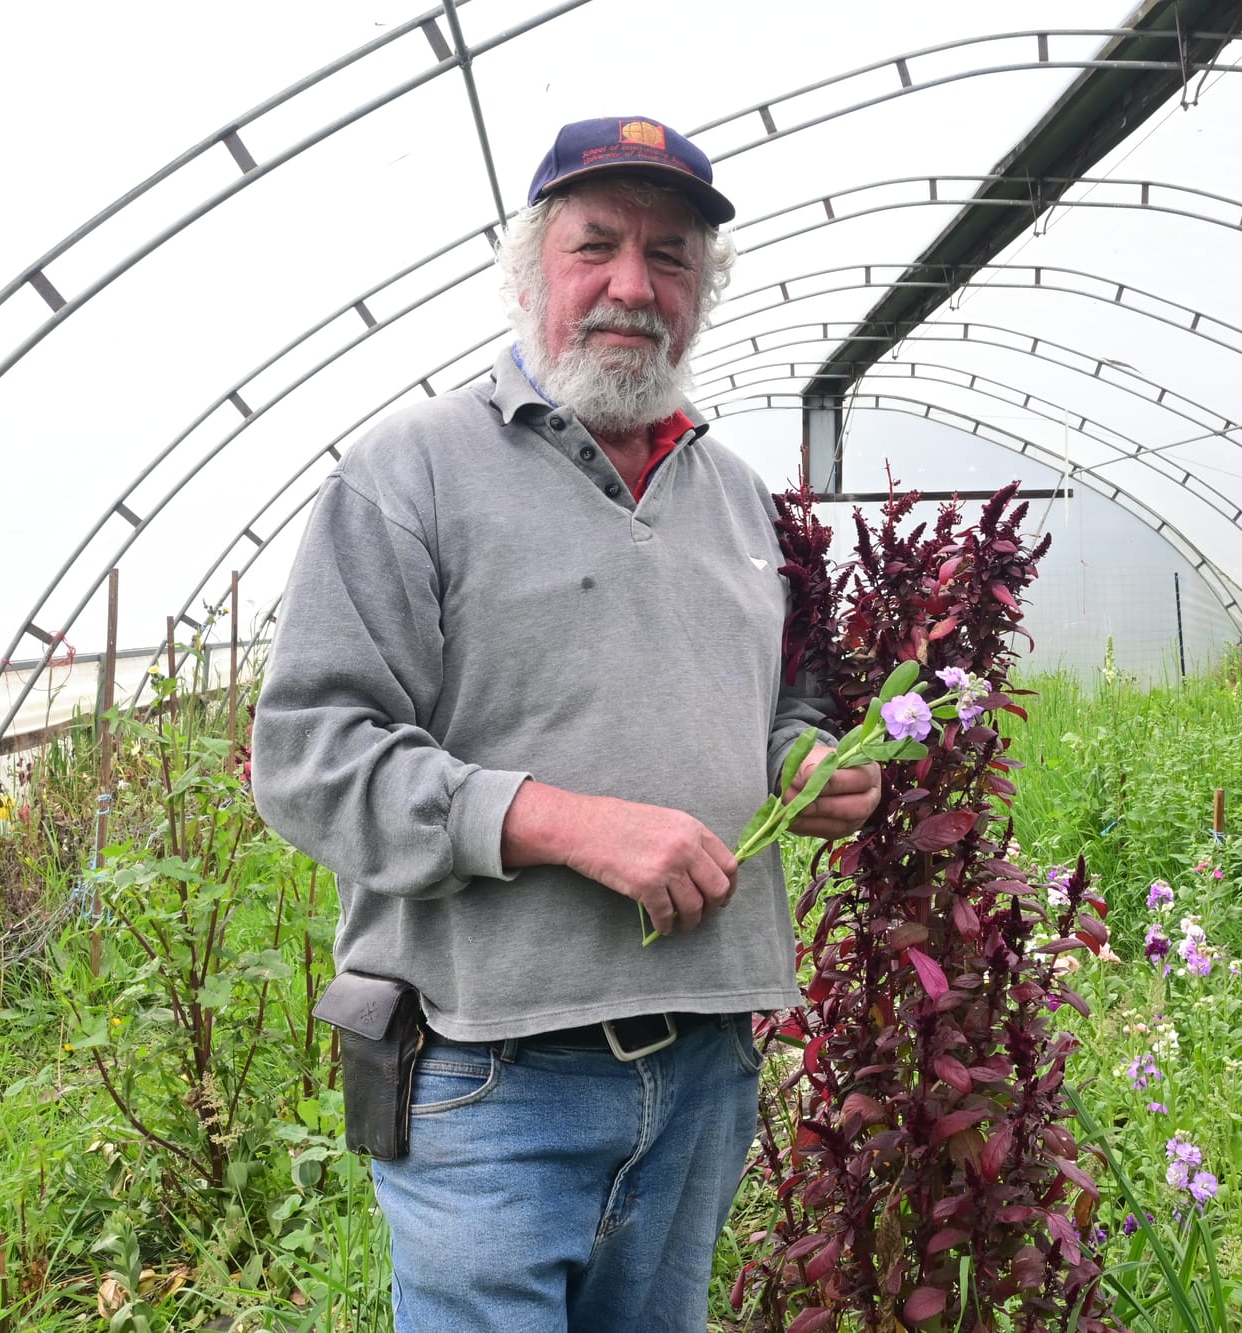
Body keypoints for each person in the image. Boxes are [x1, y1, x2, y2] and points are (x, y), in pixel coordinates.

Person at [251, 115, 879, 1332]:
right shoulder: (410, 472)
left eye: (672, 257)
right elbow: (309, 753)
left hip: (703, 1066)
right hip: (488, 1075)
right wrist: (554, 820)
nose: (633, 287)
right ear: (530, 266)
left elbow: (782, 697)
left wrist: (805, 760)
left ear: (703, 292)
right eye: (597, 246)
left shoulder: (739, 496)